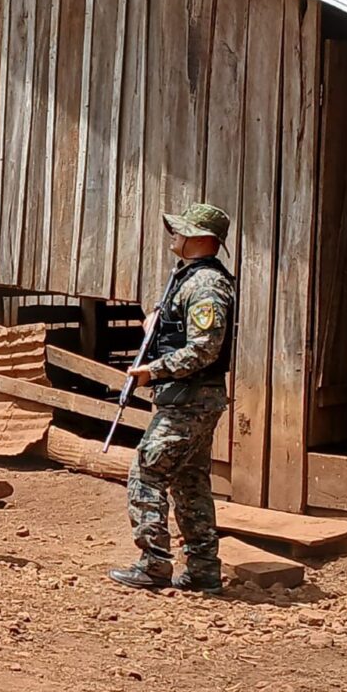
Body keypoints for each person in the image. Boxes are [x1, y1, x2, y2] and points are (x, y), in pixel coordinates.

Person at [109, 203, 236, 593]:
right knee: (190, 481)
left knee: (146, 472)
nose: (174, 236)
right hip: (187, 398)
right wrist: (155, 324)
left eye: (181, 231)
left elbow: (205, 348)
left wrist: (154, 370)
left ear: (202, 240)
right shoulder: (189, 279)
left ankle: (153, 564)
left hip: (191, 398)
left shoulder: (206, 285)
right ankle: (203, 571)